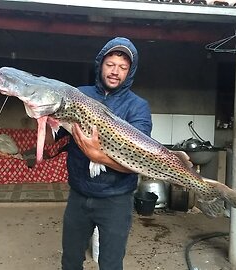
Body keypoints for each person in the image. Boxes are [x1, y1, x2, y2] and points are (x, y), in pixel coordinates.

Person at [58, 37, 152, 270]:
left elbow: (138, 160)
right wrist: (43, 116)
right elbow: (57, 135)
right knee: (70, 261)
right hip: (79, 194)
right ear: (100, 64)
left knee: (110, 264)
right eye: (110, 64)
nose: (115, 72)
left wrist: (98, 156)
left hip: (116, 199)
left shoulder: (137, 106)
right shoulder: (78, 95)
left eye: (123, 67)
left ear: (130, 72)